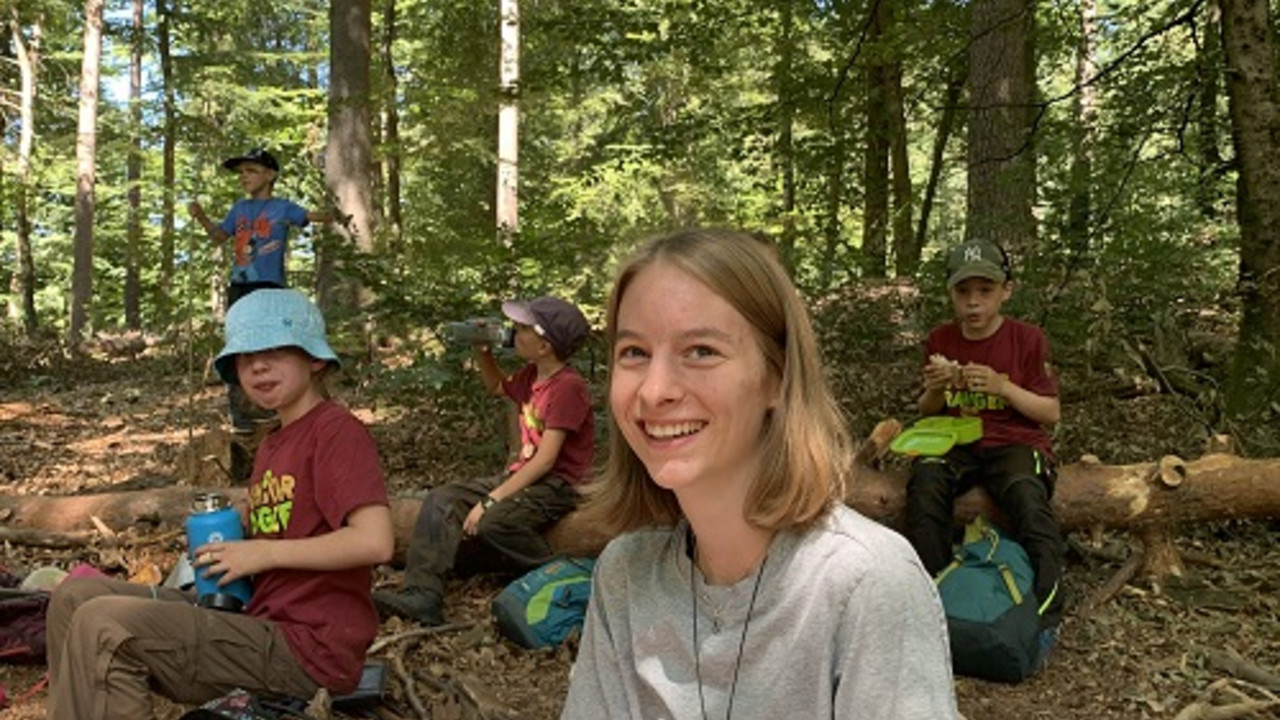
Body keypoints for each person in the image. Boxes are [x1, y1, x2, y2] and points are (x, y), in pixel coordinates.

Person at [561, 229, 958, 720]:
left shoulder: (864, 583)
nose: (654, 390)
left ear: (778, 376)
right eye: (634, 353)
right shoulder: (625, 575)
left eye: (701, 351)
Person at [45, 289, 395, 720]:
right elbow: (282, 536)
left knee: (105, 624)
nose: (258, 365)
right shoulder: (272, 444)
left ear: (315, 359)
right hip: (257, 616)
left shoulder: (335, 432)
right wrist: (230, 543)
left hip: (306, 649)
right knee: (76, 596)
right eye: (245, 358)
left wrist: (261, 552)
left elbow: (375, 541)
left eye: (273, 351)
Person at [373, 295, 595, 627]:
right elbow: (495, 386)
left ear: (545, 345)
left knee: (494, 523)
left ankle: (560, 577)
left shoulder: (567, 387)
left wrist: (490, 501)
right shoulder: (531, 375)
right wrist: (482, 349)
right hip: (522, 475)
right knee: (442, 498)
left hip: (555, 484)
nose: (513, 333)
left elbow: (547, 460)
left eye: (522, 329)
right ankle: (422, 595)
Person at [903, 238, 1065, 662]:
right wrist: (937, 387)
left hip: (1015, 442)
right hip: (957, 440)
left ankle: (1048, 616)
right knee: (925, 482)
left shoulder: (1027, 340)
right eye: (963, 292)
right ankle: (937, 602)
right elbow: (927, 410)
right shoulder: (942, 338)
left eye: (985, 291)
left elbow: (1050, 412)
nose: (973, 303)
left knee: (1028, 499)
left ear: (1006, 291)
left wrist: (1002, 386)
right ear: (951, 294)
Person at [188, 147, 337, 434]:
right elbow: (219, 236)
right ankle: (242, 417)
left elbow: (312, 216)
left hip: (269, 287)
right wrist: (201, 216)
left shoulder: (283, 207)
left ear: (270, 175)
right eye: (242, 172)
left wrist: (340, 215)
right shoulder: (239, 210)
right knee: (238, 346)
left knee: (270, 349)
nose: (244, 177)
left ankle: (276, 413)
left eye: (252, 171)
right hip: (240, 285)